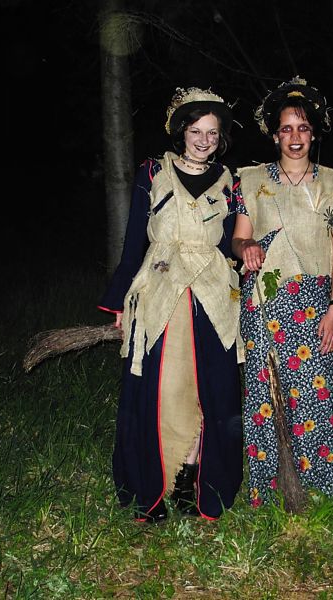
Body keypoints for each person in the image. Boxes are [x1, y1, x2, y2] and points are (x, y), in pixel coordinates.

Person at [232, 77, 333, 529]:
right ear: (275, 135)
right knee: (264, 396)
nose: (295, 136)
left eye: (303, 128)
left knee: (319, 394)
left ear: (313, 133)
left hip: (314, 303)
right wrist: (246, 247)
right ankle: (272, 489)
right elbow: (238, 237)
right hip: (263, 302)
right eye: (287, 129)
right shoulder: (251, 181)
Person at [98, 87, 243, 522]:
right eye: (196, 131)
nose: (204, 140)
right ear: (181, 132)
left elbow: (233, 242)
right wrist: (121, 301)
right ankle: (155, 482)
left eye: (212, 133)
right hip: (162, 288)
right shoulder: (153, 172)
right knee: (161, 387)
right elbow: (133, 241)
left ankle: (191, 479)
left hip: (212, 292)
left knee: (207, 387)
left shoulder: (229, 181)